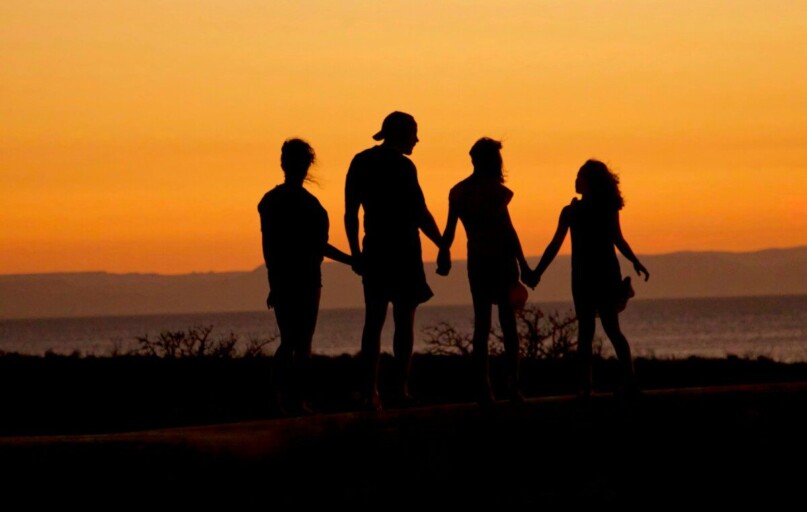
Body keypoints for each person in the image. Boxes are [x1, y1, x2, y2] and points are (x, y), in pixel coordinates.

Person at [344, 111, 442, 410]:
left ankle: (370, 392)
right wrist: (442, 244)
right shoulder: (403, 166)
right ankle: (398, 390)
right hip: (403, 252)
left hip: (374, 250)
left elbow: (351, 214)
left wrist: (355, 254)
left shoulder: (360, 161)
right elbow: (420, 212)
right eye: (414, 132)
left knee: (373, 322)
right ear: (401, 133)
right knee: (403, 323)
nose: (417, 139)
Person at [530, 159, 649, 399]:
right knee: (605, 330)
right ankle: (613, 381)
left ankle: (593, 384)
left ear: (589, 182)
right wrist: (538, 272)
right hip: (597, 275)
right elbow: (617, 239)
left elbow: (615, 239)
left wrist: (537, 272)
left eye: (579, 177)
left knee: (593, 331)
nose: (575, 180)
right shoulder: (580, 211)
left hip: (591, 275)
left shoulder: (576, 211)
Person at [258, 138, 352, 415]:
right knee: (300, 341)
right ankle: (294, 400)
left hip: (287, 277)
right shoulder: (307, 204)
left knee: (291, 340)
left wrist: (273, 282)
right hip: (305, 278)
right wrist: (352, 260)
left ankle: (285, 399)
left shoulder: (271, 201)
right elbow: (318, 246)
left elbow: (269, 247)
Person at [437, 137, 532, 404]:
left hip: (477, 261)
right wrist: (523, 264)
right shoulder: (496, 192)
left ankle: (484, 388)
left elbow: (450, 230)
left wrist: (444, 254)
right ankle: (511, 386)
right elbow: (508, 232)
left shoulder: (459, 192)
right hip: (501, 261)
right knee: (508, 325)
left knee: (483, 324)